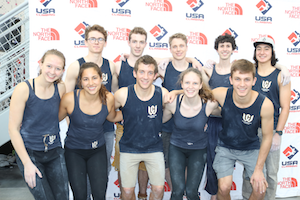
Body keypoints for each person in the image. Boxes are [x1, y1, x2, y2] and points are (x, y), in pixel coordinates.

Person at [8, 49, 69, 200]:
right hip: (31, 154)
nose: (52, 71)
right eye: (49, 66)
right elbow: (13, 129)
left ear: (62, 71)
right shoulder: (24, 89)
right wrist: (27, 163)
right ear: (40, 64)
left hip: (55, 151)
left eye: (58, 68)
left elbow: (58, 117)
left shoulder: (60, 88)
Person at [212, 59, 274, 200]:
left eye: (247, 79)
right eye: (238, 79)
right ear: (231, 80)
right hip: (225, 147)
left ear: (254, 81)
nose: (242, 84)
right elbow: (195, 94)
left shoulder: (265, 104)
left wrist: (258, 169)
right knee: (223, 188)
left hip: (251, 148)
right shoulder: (221, 94)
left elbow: (267, 137)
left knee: (259, 190)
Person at [59, 62, 122, 200]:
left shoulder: (108, 98)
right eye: (86, 79)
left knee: (99, 196)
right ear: (80, 82)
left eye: (94, 78)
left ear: (101, 78)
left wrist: (133, 112)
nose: (91, 83)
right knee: (80, 196)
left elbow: (112, 117)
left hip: (97, 151)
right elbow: (54, 119)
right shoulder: (69, 99)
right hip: (74, 152)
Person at [114, 55, 169, 200]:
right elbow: (109, 113)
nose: (145, 76)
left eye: (150, 73)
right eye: (142, 72)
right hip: (129, 147)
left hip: (153, 147)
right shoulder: (122, 94)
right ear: (134, 73)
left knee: (158, 189)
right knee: (126, 192)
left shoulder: (162, 94)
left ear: (155, 75)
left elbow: (170, 112)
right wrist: (123, 115)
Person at [242, 37, 291, 200]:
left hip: (270, 130)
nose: (262, 52)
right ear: (255, 52)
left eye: (266, 49)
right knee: (249, 171)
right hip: (249, 130)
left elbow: (285, 107)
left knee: (270, 172)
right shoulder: (249, 72)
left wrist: (279, 133)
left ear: (272, 52)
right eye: (259, 49)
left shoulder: (280, 75)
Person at [64, 24, 117, 175]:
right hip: (80, 130)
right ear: (86, 42)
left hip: (105, 128)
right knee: (80, 173)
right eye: (92, 38)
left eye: (100, 39)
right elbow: (66, 100)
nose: (96, 42)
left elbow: (114, 94)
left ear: (105, 42)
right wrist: (72, 125)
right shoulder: (76, 66)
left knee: (102, 171)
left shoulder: (110, 66)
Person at [163, 68, 219, 200]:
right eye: (187, 83)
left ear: (200, 85)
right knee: (177, 191)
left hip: (198, 149)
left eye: (195, 83)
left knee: (191, 192)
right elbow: (160, 121)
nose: (190, 86)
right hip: (177, 148)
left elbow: (225, 113)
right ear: (181, 84)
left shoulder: (209, 104)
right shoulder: (172, 104)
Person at [113, 27, 150, 200]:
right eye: (134, 41)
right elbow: (113, 96)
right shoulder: (119, 65)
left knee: (143, 167)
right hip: (124, 127)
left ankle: (142, 195)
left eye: (141, 41)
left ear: (145, 44)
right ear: (128, 42)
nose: (137, 45)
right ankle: (124, 196)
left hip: (146, 127)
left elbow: (172, 60)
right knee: (123, 166)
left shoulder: (149, 66)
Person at [202, 33, 237, 200]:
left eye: (228, 46)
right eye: (221, 46)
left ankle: (224, 193)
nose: (224, 49)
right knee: (212, 158)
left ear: (233, 49)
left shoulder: (238, 70)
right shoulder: (209, 70)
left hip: (232, 124)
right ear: (217, 49)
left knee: (228, 161)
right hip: (214, 122)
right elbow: (205, 97)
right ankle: (214, 195)